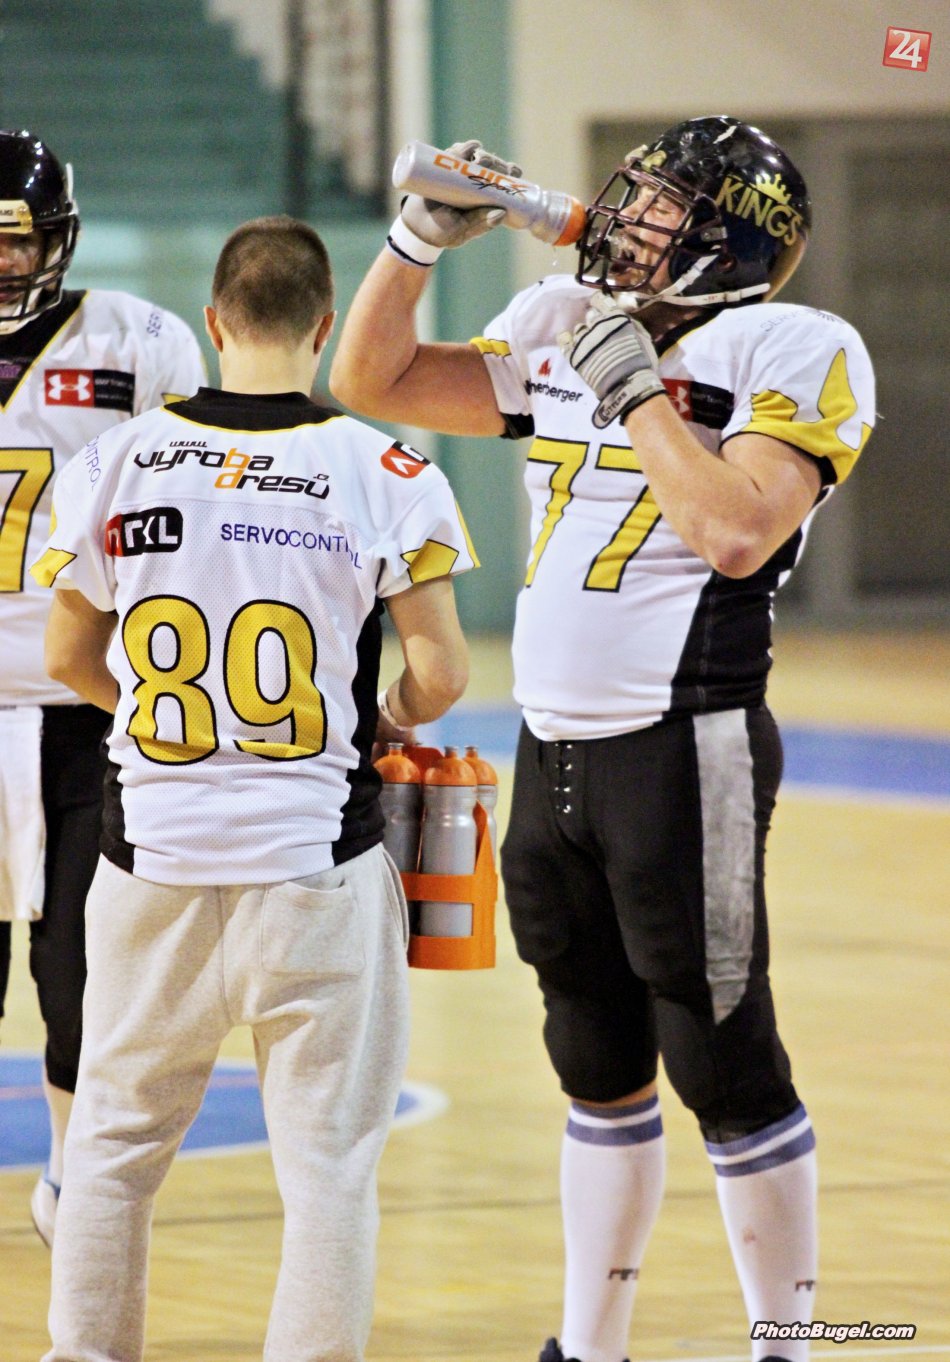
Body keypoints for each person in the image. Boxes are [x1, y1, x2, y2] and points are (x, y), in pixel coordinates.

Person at [329, 118, 875, 1362]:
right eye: (633, 199)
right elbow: (372, 381)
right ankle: (589, 1347)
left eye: (663, 210)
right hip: (554, 748)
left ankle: (786, 1349)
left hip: (685, 744)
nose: (626, 223)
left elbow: (733, 531)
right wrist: (413, 244)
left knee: (722, 1062)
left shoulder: (794, 345)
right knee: (591, 1060)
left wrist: (632, 391)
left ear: (729, 240)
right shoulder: (566, 318)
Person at [29, 212, 473, 1362]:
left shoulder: (113, 461)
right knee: (327, 1166)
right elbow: (440, 675)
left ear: (215, 322)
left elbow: (68, 656)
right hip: (312, 865)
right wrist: (386, 716)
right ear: (323, 329)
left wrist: (154, 720)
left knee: (111, 1150)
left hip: (150, 856)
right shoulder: (387, 468)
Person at [0, 127, 205, 1247]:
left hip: (91, 709)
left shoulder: (141, 342)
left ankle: (75, 1184)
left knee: (86, 972)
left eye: (17, 241)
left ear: (60, 240)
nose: (2, 263)